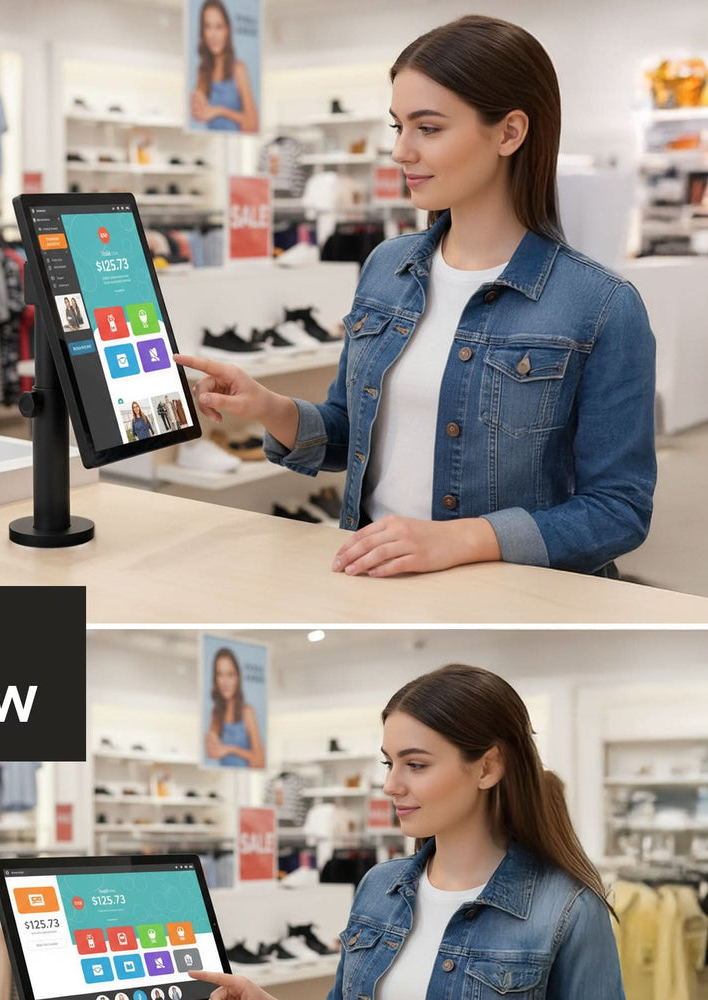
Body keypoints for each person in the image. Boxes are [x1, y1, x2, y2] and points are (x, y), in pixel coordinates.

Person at [176, 16, 656, 578]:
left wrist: (462, 540)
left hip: (509, 601)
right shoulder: (386, 267)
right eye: (397, 126)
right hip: (376, 586)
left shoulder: (600, 305)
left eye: (427, 128)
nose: (401, 151)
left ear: (509, 132)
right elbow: (350, 431)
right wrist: (267, 407)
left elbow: (618, 510)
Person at [190, 664, 626, 1000]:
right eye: (388, 763)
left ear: (487, 767)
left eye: (415, 765)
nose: (390, 786)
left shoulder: (567, 907)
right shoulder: (380, 887)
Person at [191, 0, 259, 133]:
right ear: (203, 32)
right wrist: (196, 105)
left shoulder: (238, 69)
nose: (213, 35)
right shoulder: (203, 71)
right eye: (208, 27)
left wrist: (219, 110)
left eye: (219, 27)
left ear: (227, 30)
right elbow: (201, 115)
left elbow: (253, 123)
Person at [205, 647, 265, 768]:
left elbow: (260, 760)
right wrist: (209, 742)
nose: (225, 682)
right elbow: (212, 753)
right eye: (220, 675)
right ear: (215, 679)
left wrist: (231, 749)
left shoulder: (247, 712)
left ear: (237, 677)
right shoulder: (216, 714)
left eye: (230, 675)